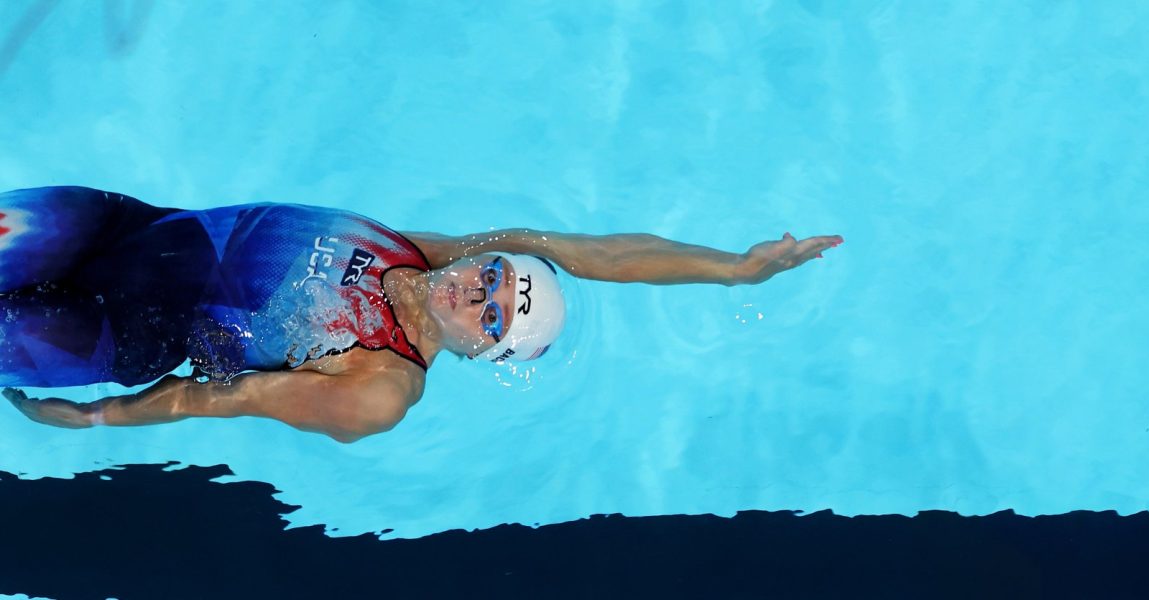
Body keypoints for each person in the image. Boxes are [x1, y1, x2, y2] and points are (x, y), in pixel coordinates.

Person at [0, 186, 841, 442]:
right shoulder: (421, 250)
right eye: (494, 277)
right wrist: (734, 268)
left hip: (116, 328)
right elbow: (598, 253)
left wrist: (99, 414)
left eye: (493, 318)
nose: (476, 294)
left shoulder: (381, 385)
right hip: (130, 225)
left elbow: (226, 395)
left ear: (485, 356)